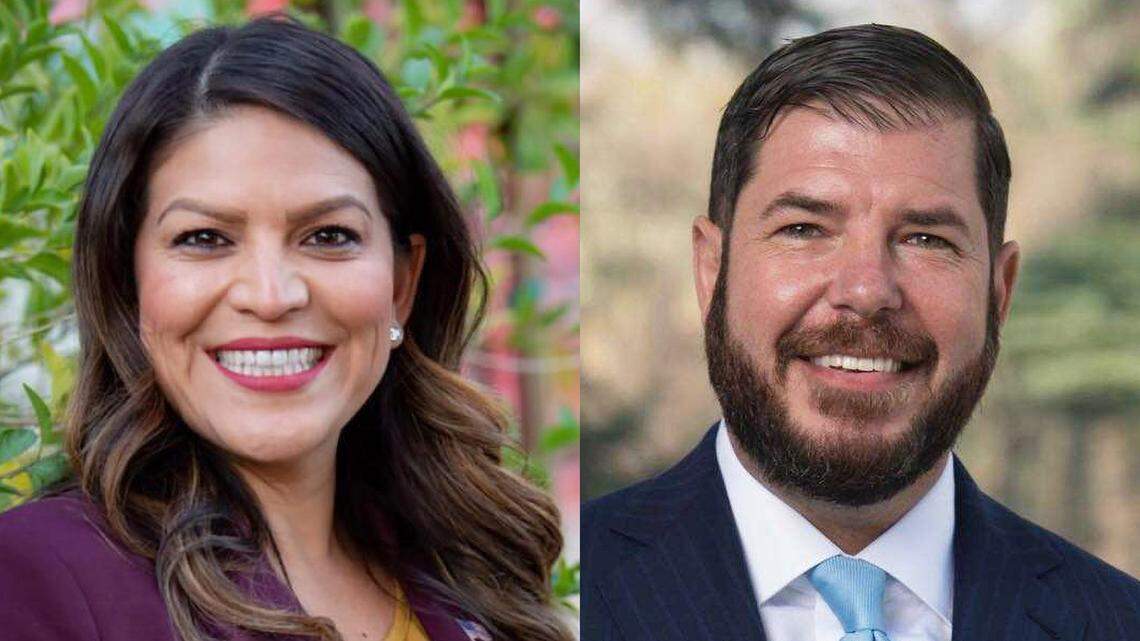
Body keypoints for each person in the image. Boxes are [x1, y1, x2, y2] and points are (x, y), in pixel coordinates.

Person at [0, 16, 571, 641]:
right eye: (204, 239)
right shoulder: (37, 575)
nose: (271, 297)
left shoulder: (472, 569)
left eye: (329, 236)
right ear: (128, 281)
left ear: (402, 286)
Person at [582, 24, 1139, 641]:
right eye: (804, 229)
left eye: (927, 239)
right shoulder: (550, 596)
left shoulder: (1116, 622)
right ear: (711, 270)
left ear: (998, 291)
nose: (866, 291)